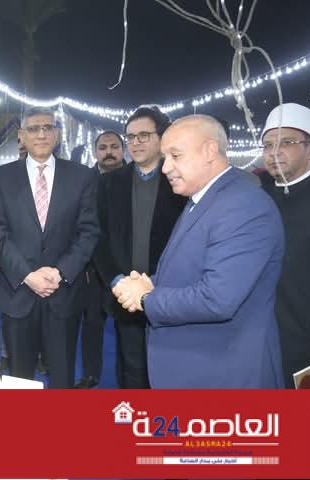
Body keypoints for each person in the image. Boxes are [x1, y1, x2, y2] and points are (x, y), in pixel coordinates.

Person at [113, 114, 285, 388]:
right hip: (197, 367)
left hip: (224, 377)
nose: (165, 167)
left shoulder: (243, 206)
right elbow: (188, 272)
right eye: (165, 157)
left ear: (209, 151)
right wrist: (148, 283)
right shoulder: (203, 199)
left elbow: (217, 299)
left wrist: (146, 297)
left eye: (175, 156)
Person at [0, 107, 99, 388]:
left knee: (62, 377)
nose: (41, 134)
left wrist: (60, 272)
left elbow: (88, 232)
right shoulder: (1, 177)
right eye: (34, 128)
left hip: (63, 293)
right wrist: (27, 275)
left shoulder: (81, 176)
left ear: (57, 134)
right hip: (18, 293)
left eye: (47, 128)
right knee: (19, 378)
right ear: (21, 135)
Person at [93, 108, 187, 388]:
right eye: (131, 137)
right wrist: (116, 280)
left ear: (161, 137)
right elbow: (97, 236)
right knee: (132, 368)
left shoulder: (180, 180)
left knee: (171, 369)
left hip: (171, 293)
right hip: (125, 294)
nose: (135, 142)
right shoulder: (109, 182)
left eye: (144, 135)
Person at [260, 103, 310, 387]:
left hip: (305, 338)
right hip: (262, 334)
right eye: (268, 145)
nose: (274, 152)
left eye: (286, 143)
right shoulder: (257, 196)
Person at [75, 130, 128, 389]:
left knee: (128, 328)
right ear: (95, 152)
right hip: (92, 269)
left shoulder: (135, 179)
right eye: (103, 147)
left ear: (122, 150)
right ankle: (90, 374)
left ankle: (129, 379)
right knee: (92, 323)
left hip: (128, 270)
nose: (109, 152)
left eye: (114, 147)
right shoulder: (84, 181)